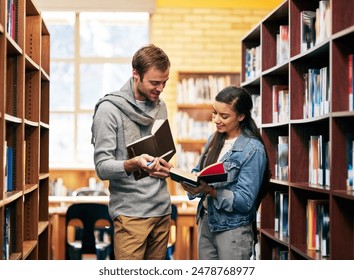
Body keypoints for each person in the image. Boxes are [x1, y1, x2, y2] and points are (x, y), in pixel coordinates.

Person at [91, 44, 173, 260]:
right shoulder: (109, 110)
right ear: (135, 74)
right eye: (154, 83)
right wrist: (131, 163)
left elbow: (161, 151)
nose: (161, 88)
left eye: (165, 82)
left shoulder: (160, 106)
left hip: (162, 210)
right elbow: (102, 167)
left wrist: (164, 166)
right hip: (131, 215)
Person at [179, 86, 270, 260]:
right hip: (206, 222)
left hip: (233, 230)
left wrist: (211, 191)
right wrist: (191, 181)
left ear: (241, 116)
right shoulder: (214, 139)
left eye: (224, 116)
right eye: (214, 113)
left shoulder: (253, 150)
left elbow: (245, 201)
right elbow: (199, 171)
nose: (216, 120)